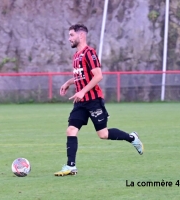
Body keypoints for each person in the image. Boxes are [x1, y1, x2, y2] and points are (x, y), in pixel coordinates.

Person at [54, 24, 144, 176]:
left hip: (94, 100)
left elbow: (98, 76)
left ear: (81, 36)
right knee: (71, 130)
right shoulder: (76, 56)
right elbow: (80, 76)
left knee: (103, 134)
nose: (69, 38)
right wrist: (68, 83)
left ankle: (132, 137)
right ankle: (71, 166)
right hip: (80, 102)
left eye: (71, 35)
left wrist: (82, 91)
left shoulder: (90, 53)